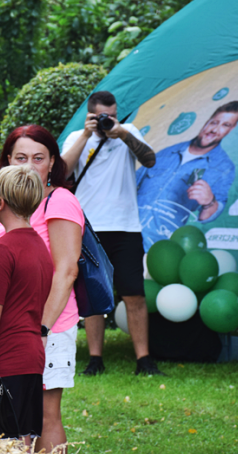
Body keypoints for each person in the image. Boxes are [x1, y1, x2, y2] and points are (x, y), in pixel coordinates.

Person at [61, 90, 163, 376]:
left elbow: (150, 159)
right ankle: (95, 359)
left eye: (112, 115)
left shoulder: (126, 132)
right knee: (93, 295)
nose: (108, 120)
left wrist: (122, 133)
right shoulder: (76, 138)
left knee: (134, 294)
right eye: (102, 116)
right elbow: (61, 172)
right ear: (90, 115)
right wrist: (85, 135)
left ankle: (144, 360)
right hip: (90, 229)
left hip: (126, 227)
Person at [0, 124, 83, 454]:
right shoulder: (1, 204)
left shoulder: (60, 201)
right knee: (11, 414)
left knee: (46, 415)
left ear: (52, 164)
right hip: (11, 327)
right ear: (6, 161)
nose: (28, 166)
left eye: (38, 158)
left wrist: (41, 328)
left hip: (49, 324)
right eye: (20, 157)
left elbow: (66, 270)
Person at [0, 164, 53, 446]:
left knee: (1, 446)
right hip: (32, 356)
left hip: (5, 358)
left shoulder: (3, 249)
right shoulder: (41, 247)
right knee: (23, 443)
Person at [136, 100, 238, 250]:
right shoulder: (166, 152)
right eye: (214, 122)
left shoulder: (224, 167)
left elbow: (206, 216)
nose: (215, 129)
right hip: (124, 234)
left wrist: (209, 202)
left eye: (225, 125)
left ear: (232, 129)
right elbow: (131, 184)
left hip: (157, 247)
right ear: (206, 121)